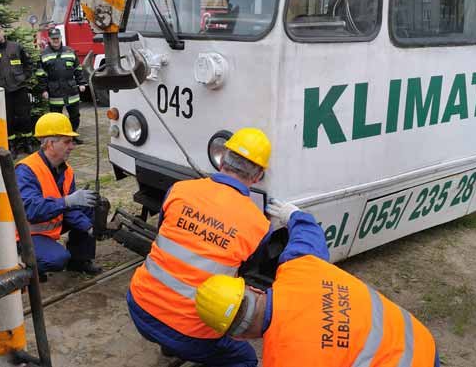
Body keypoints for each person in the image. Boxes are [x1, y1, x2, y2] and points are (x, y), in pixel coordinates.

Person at [194, 199, 441, 367]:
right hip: (421, 341)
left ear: (238, 338)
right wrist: (293, 215)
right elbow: (308, 233)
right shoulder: (299, 268)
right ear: (254, 289)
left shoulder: (282, 358)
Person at [127, 128, 275, 366]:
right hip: (190, 333)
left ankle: (169, 347)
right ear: (258, 176)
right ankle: (180, 346)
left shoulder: (179, 190)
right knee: (245, 358)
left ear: (222, 159)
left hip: (139, 305)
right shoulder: (259, 225)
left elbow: (165, 231)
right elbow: (244, 271)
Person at [15, 112, 102, 277]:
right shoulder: (26, 170)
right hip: (26, 234)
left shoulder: (66, 170)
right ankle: (27, 263)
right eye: (67, 141)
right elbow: (30, 211)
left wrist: (89, 227)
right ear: (49, 144)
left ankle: (79, 261)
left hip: (50, 222)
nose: (72, 146)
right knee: (57, 259)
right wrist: (66, 202)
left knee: (88, 205)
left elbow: (70, 209)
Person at [36, 27, 87, 144]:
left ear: (60, 37)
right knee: (56, 117)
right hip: (54, 90)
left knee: (75, 116)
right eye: (53, 38)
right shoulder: (44, 54)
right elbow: (40, 73)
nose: (56, 40)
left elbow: (78, 69)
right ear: (49, 39)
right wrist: (43, 90)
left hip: (71, 89)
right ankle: (60, 138)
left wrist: (81, 83)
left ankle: (72, 135)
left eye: (57, 38)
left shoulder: (69, 51)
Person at [0, 24, 34, 154]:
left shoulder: (16, 46)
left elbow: (28, 64)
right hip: (4, 91)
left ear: (3, 32)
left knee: (25, 117)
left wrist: (24, 77)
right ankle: (12, 145)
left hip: (20, 88)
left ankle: (27, 142)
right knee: (8, 119)